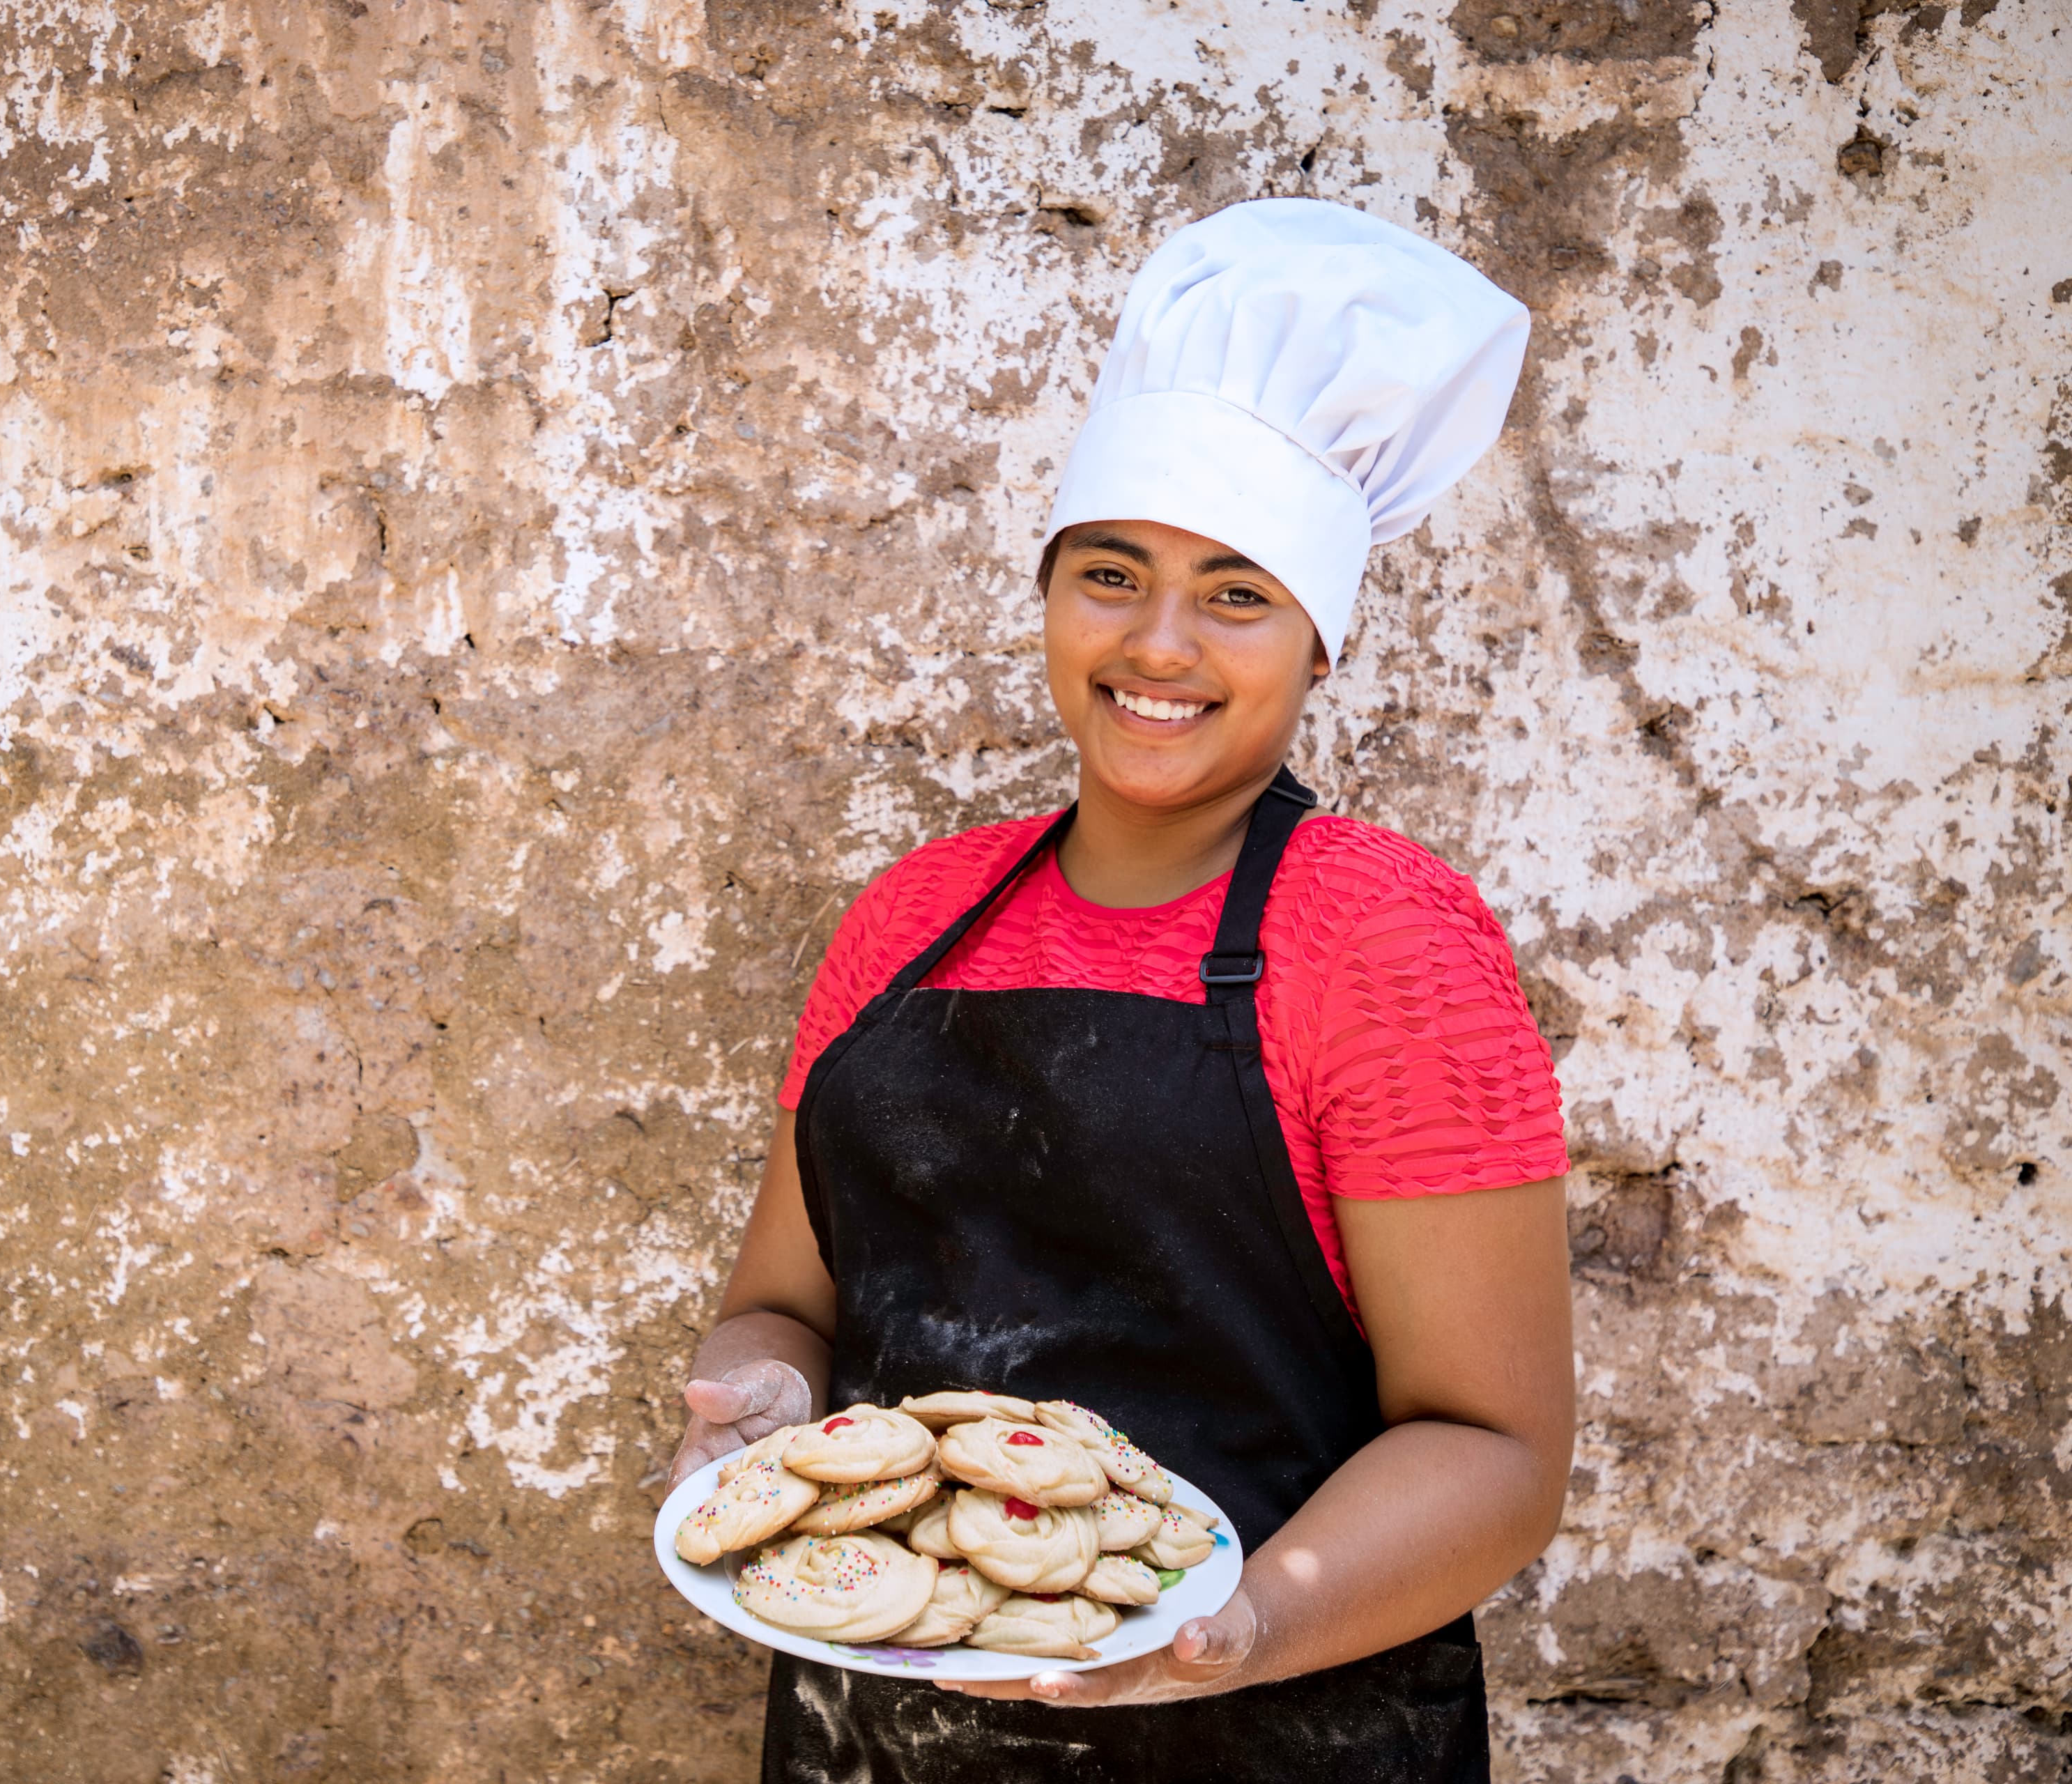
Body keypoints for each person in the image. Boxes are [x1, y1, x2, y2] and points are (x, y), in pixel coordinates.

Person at [666, 199, 1575, 1782]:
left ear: (1318, 641)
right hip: (878, 1731)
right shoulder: (911, 921)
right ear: (1048, 594)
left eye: (1237, 592)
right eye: (1111, 572)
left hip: (1280, 1728)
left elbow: (1494, 1450)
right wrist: (755, 1404)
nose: (1159, 643)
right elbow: (789, 1302)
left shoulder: (1385, 938)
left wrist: (1237, 1627)